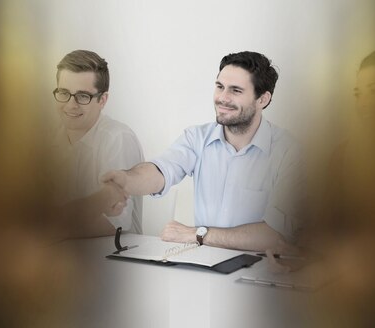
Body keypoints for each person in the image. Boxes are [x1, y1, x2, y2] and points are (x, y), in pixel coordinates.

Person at [103, 51, 304, 252]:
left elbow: (275, 236)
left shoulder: (289, 152)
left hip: (263, 272)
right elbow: (161, 170)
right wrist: (126, 181)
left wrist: (198, 234)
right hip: (205, 265)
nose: (223, 98)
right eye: (220, 87)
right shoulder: (197, 138)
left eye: (236, 90)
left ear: (263, 99)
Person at [50, 50, 144, 238]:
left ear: (102, 100)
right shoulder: (48, 137)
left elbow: (114, 226)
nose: (70, 105)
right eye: (64, 93)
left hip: (112, 257)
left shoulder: (118, 138)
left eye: (83, 96)